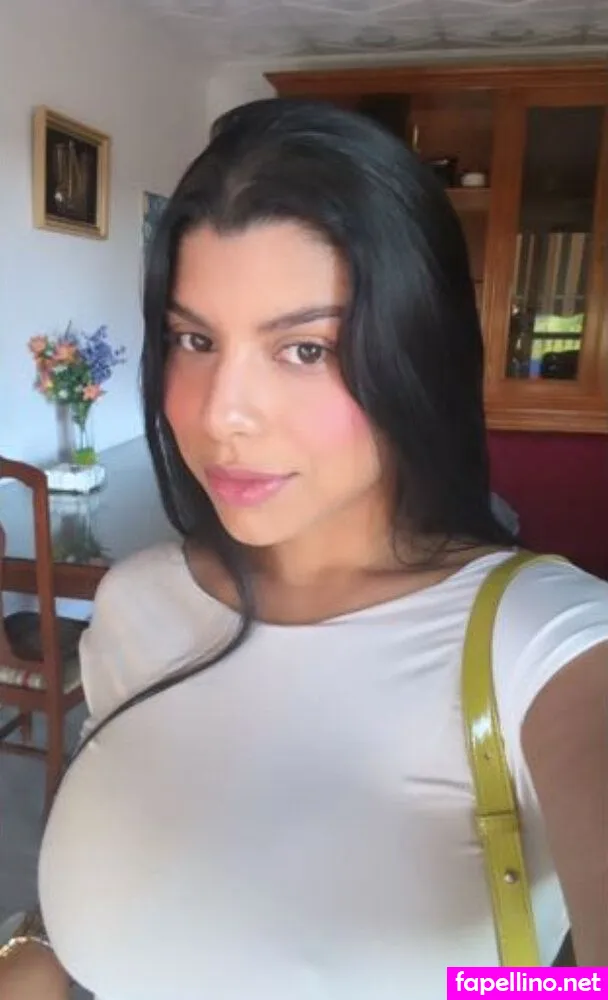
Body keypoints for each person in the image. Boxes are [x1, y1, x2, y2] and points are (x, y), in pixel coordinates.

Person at [2, 98, 607, 999]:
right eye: (194, 339)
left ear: (418, 353)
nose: (222, 414)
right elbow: (111, 844)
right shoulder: (137, 603)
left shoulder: (544, 646)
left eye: (306, 349)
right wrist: (35, 950)